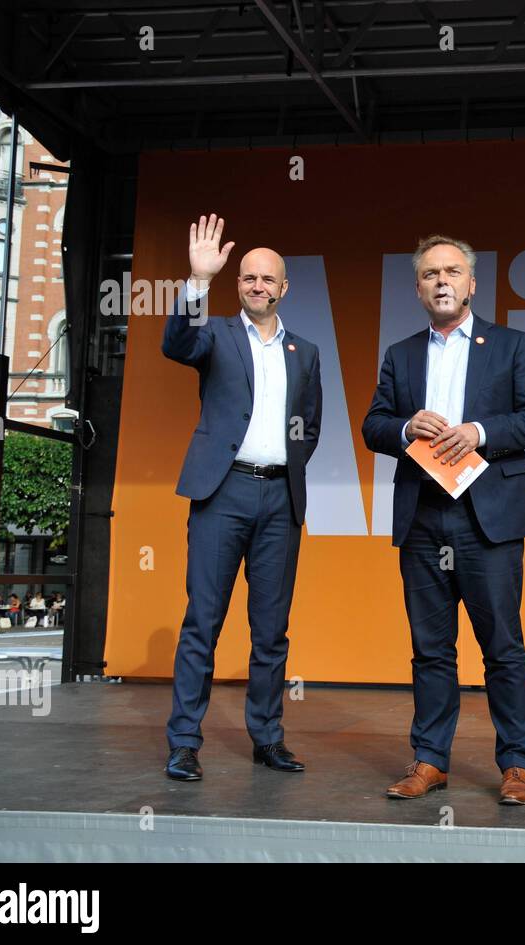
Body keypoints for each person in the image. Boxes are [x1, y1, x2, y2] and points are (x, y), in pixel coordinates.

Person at [361, 235, 525, 805]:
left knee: (503, 646)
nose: (441, 281)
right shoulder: (400, 354)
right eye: (429, 275)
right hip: (423, 516)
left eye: (452, 272)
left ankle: (516, 764)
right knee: (430, 648)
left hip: (487, 519)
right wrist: (403, 429)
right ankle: (429, 760)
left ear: (472, 283)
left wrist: (480, 433)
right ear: (417, 288)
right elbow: (373, 425)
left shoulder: (511, 344)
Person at [161, 213, 323, 782]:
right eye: (248, 277)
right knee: (202, 622)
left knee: (271, 630)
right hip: (222, 493)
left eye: (268, 279)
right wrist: (197, 280)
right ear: (239, 286)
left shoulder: (306, 351)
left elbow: (310, 423)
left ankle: (268, 739)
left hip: (280, 499)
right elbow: (175, 343)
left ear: (284, 288)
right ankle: (184, 742)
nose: (258, 285)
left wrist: (287, 468)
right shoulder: (215, 335)